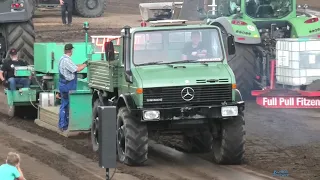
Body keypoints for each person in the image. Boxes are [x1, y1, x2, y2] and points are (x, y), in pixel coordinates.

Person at [58, 44, 87, 131]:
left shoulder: (62, 59)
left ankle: (63, 125)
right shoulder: (66, 60)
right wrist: (85, 64)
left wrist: (82, 64)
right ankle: (63, 125)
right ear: (71, 51)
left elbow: (74, 66)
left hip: (63, 85)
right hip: (68, 86)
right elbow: (77, 69)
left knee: (64, 104)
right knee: (66, 105)